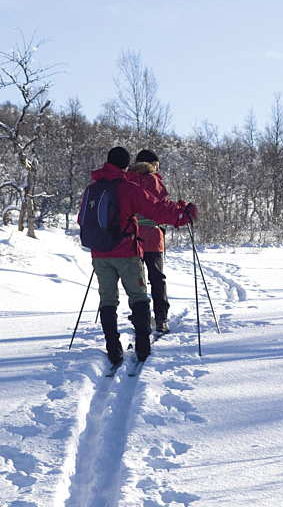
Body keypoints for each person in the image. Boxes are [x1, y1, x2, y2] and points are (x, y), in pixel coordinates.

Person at [78, 146, 198, 364]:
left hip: (99, 253)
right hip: (126, 252)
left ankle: (113, 349)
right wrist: (183, 215)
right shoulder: (128, 189)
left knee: (107, 299)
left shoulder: (91, 189)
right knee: (139, 297)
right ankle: (142, 348)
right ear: (126, 165)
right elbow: (157, 210)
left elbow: (81, 220)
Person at [125, 149, 173, 333]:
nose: (157, 169)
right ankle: (161, 318)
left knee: (136, 280)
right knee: (157, 278)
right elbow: (163, 206)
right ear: (150, 164)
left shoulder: (127, 179)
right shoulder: (152, 180)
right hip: (152, 236)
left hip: (130, 237)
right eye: (156, 165)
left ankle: (139, 316)